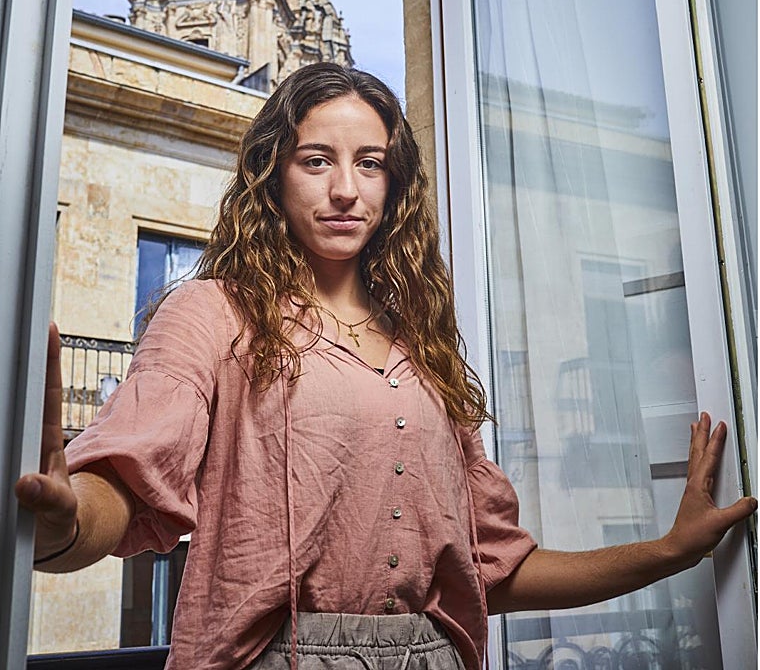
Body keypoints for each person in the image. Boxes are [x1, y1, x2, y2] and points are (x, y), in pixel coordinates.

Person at [15, 63, 757, 670]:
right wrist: (65, 519)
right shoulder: (212, 313)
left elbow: (492, 571)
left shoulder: (425, 350)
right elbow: (128, 482)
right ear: (273, 176)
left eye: (369, 164)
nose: (345, 189)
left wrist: (669, 552)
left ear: (393, 184)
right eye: (316, 160)